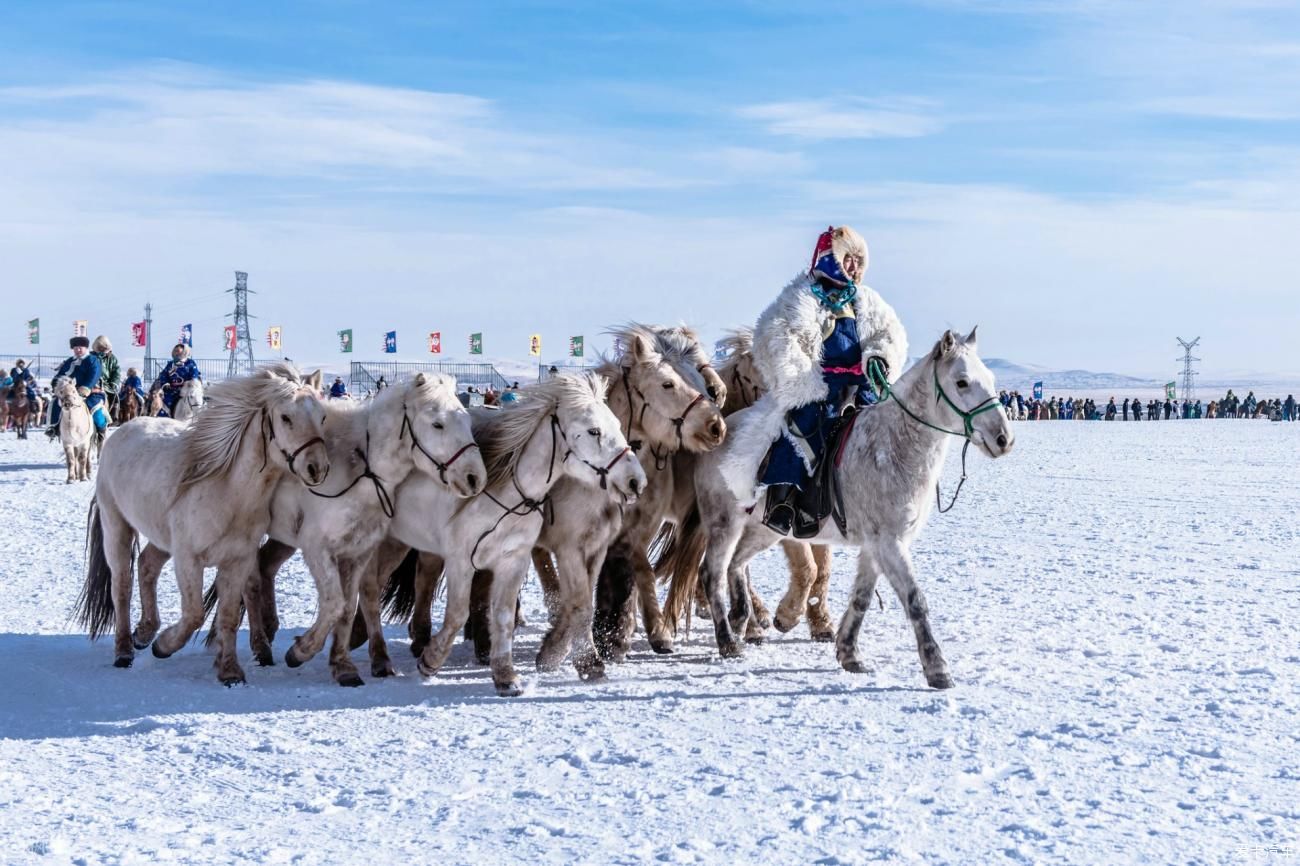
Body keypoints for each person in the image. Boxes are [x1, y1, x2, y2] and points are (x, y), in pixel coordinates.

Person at [740, 225, 907, 537]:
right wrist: (811, 379)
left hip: (862, 389)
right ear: (830, 258)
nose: (854, 267)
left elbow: (889, 333)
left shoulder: (867, 301)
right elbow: (778, 337)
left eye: (859, 261)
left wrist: (879, 359)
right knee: (803, 428)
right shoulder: (801, 299)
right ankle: (785, 500)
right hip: (819, 391)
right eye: (849, 259)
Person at [47, 335, 108, 440]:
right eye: (75, 348)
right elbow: (60, 375)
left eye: (80, 348)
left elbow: (94, 376)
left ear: (86, 348)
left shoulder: (92, 360)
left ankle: (101, 432)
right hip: (70, 393)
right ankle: (54, 427)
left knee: (95, 409)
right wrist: (55, 384)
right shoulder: (69, 361)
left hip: (91, 392)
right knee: (55, 403)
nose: (78, 350)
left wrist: (85, 388)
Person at [151, 343, 202, 418]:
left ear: (184, 352)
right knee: (164, 403)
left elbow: (194, 374)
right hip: (172, 390)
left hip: (187, 389)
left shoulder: (190, 363)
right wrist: (165, 384)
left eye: (179, 351)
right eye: (175, 351)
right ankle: (162, 420)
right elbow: (164, 375)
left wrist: (192, 382)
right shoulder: (170, 364)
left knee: (198, 399)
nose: (177, 353)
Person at [91, 336, 121, 416]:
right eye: (100, 347)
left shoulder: (112, 358)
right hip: (92, 383)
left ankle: (114, 415)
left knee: (116, 398)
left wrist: (114, 383)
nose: (102, 348)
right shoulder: (90, 357)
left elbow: (116, 371)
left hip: (106, 384)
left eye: (103, 347)